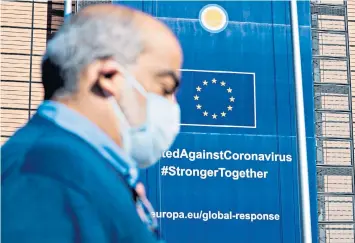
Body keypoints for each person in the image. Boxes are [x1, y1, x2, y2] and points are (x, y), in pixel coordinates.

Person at [1, 3, 182, 243]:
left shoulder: (78, 169)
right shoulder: (45, 174)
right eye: (166, 88)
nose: (172, 105)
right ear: (109, 76)